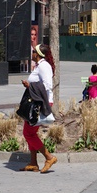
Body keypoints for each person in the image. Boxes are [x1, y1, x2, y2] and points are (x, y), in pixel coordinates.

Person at [19, 44, 58, 173]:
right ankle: (33, 162)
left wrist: (30, 86)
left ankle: (49, 157)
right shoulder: (39, 66)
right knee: (30, 132)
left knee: (28, 133)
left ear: (38, 54)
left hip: (40, 104)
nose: (32, 53)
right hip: (35, 102)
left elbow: (47, 85)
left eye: (34, 51)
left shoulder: (44, 66)